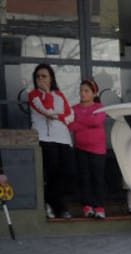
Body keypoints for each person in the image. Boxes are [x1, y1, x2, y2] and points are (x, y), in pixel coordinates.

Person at [29, 63, 75, 219]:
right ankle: (56, 206)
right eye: (38, 76)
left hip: (63, 138)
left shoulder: (60, 95)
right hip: (45, 138)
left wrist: (57, 116)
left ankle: (53, 202)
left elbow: (70, 116)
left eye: (44, 76)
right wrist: (47, 93)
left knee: (67, 173)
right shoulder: (34, 95)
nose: (40, 79)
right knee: (52, 173)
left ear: (51, 78)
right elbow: (46, 110)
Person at [68, 78, 107, 219]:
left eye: (86, 91)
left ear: (94, 93)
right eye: (81, 90)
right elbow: (70, 126)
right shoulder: (74, 109)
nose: (83, 93)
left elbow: (97, 121)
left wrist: (80, 121)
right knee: (84, 178)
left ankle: (100, 207)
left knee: (98, 178)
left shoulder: (99, 107)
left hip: (98, 149)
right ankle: (87, 206)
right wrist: (86, 122)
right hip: (80, 148)